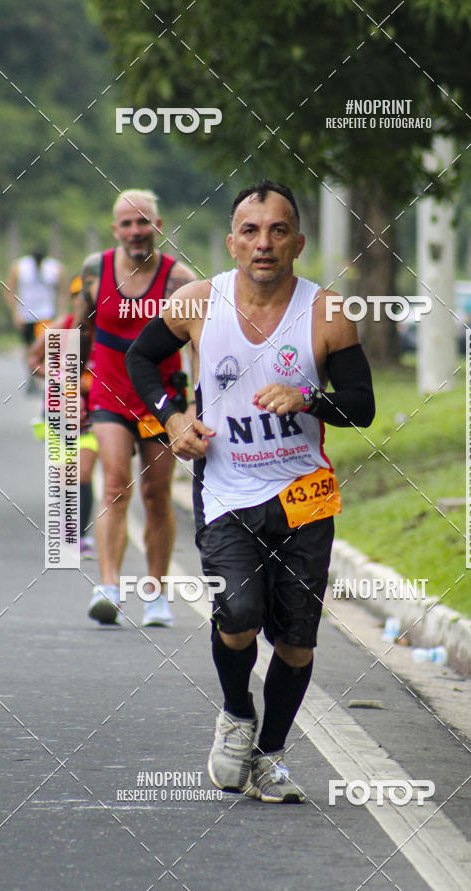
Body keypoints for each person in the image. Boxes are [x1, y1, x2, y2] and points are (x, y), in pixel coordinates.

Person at [126, 180, 375, 802]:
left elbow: (362, 406)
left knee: (296, 641)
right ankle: (237, 712)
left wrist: (308, 397)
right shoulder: (196, 303)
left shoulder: (327, 313)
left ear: (298, 243)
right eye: (251, 231)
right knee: (236, 615)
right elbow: (140, 359)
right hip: (227, 492)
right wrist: (172, 418)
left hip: (303, 495)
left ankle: (271, 755)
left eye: (278, 230)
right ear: (232, 243)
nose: (264, 243)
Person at [78, 189, 194, 627]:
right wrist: (66, 387)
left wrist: (194, 406)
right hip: (109, 394)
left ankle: (156, 594)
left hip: (161, 401)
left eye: (143, 221)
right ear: (115, 230)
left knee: (156, 494)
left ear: (158, 226)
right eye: (126, 223)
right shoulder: (95, 270)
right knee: (115, 485)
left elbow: (198, 341)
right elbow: (79, 329)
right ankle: (108, 587)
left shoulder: (179, 280)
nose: (135, 231)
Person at [28, 276, 99, 557]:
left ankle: (79, 535)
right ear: (72, 299)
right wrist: (60, 377)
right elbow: (34, 362)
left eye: (88, 297)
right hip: (59, 412)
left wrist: (94, 384)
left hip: (93, 414)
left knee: (82, 472)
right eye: (78, 295)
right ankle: (65, 527)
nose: (83, 301)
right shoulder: (61, 327)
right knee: (63, 474)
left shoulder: (105, 333)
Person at [5, 250, 68, 391]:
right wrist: (15, 313)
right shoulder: (20, 266)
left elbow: (63, 291)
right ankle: (31, 377)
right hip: (26, 314)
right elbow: (9, 289)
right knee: (28, 347)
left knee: (46, 347)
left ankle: (46, 379)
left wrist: (62, 313)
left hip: (46, 314)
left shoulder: (55, 267)